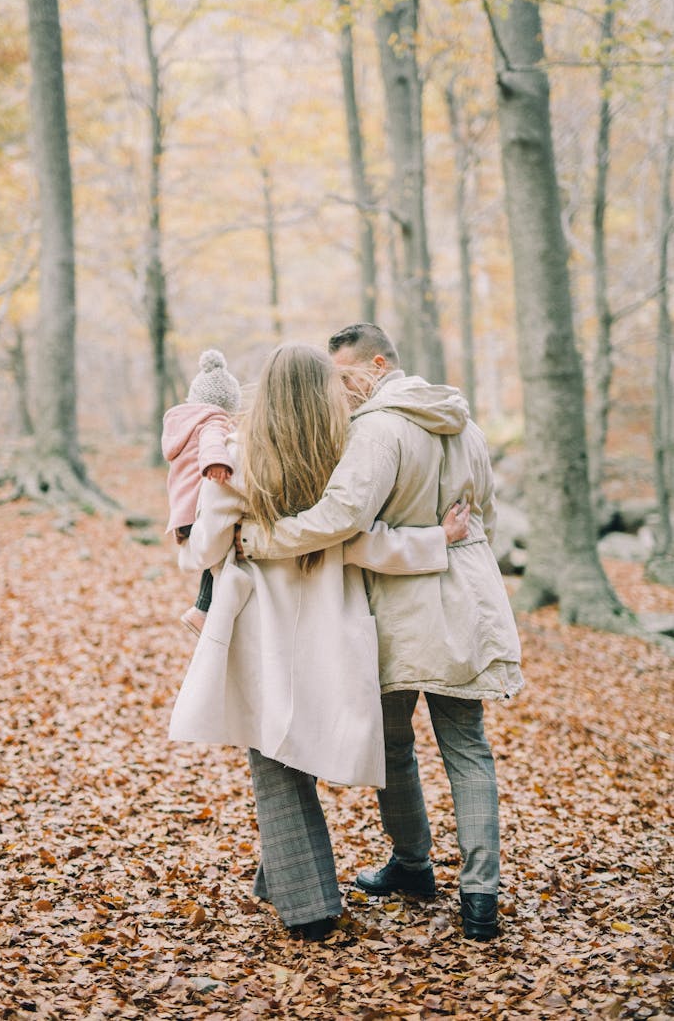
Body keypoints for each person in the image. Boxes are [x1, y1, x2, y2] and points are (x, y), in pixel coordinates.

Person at [168, 343, 469, 942]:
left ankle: (309, 907)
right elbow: (368, 542)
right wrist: (437, 539)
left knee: (275, 757)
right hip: (334, 629)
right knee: (287, 747)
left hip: (262, 633)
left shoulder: (237, 460)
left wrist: (212, 524)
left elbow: (202, 552)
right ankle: (285, 877)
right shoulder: (344, 458)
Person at [239, 323, 524, 942]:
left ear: (374, 365)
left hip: (403, 613)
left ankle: (414, 866)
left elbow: (342, 521)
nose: (340, 394)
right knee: (469, 750)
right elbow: (489, 520)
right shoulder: (465, 424)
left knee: (396, 746)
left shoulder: (378, 429)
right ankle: (481, 897)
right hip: (473, 606)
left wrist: (262, 539)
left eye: (344, 379)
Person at [162, 349, 241, 636]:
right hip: (198, 508)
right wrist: (216, 462)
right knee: (219, 560)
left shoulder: (180, 424)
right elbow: (211, 443)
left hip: (181, 510)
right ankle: (202, 610)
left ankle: (205, 609)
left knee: (214, 563)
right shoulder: (213, 422)